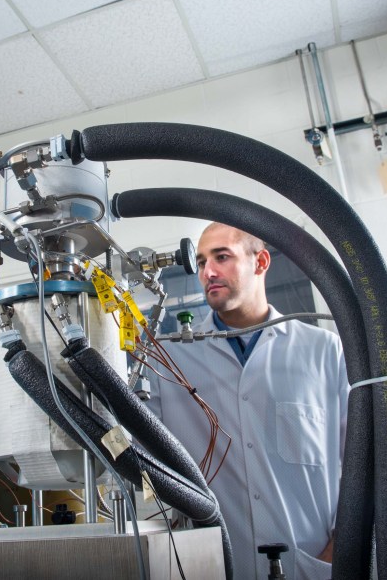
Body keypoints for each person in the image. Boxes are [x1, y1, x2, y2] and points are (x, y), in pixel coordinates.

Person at [145, 222, 349, 580]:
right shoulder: (170, 359)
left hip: (313, 565)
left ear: (261, 262)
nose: (208, 271)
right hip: (212, 566)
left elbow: (363, 464)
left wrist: (339, 549)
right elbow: (143, 459)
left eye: (222, 257)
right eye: (201, 260)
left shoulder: (322, 351)